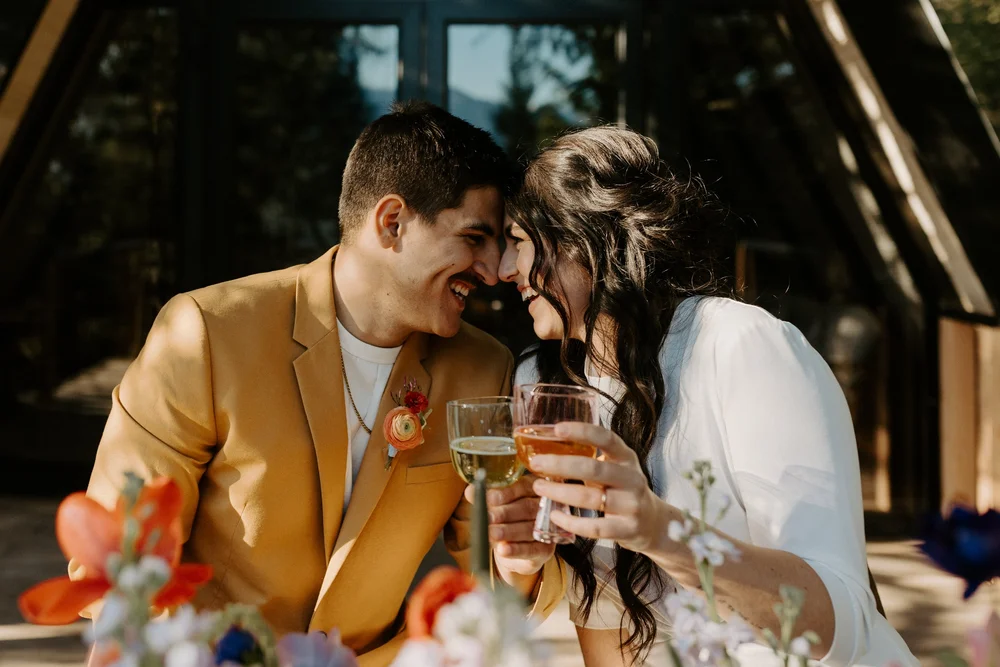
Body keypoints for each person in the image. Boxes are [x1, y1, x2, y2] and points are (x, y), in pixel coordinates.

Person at [81, 101, 565, 666]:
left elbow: (494, 583)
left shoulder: (484, 368)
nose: (492, 270)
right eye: (475, 238)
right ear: (392, 222)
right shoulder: (207, 332)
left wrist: (521, 566)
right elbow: (122, 557)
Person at [498, 126, 918, 666]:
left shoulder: (741, 346)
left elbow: (839, 627)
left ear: (583, 240)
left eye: (519, 241)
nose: (506, 270)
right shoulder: (544, 383)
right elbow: (603, 615)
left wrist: (659, 530)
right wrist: (520, 561)